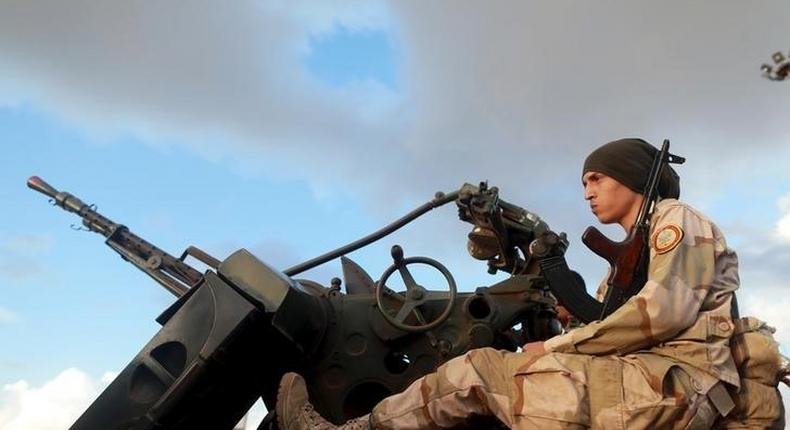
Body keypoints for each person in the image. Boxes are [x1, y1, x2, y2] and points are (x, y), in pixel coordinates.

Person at [274, 138, 764, 429]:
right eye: (583, 183)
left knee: (478, 372)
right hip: (662, 382)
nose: (588, 192)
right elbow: (603, 322)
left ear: (631, 177)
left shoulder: (678, 220)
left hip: (678, 386)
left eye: (596, 178)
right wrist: (554, 294)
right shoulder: (628, 261)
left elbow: (662, 313)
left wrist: (555, 349)